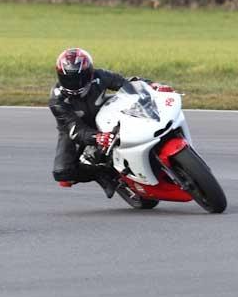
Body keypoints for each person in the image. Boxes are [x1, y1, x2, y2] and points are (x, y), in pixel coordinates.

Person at [48, 48, 172, 197]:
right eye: (69, 79)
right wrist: (97, 137)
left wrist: (152, 86)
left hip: (105, 113)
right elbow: (75, 129)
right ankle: (102, 173)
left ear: (89, 72)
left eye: (80, 78)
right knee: (62, 173)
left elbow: (126, 83)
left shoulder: (99, 76)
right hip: (76, 127)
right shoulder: (57, 100)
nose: (75, 84)